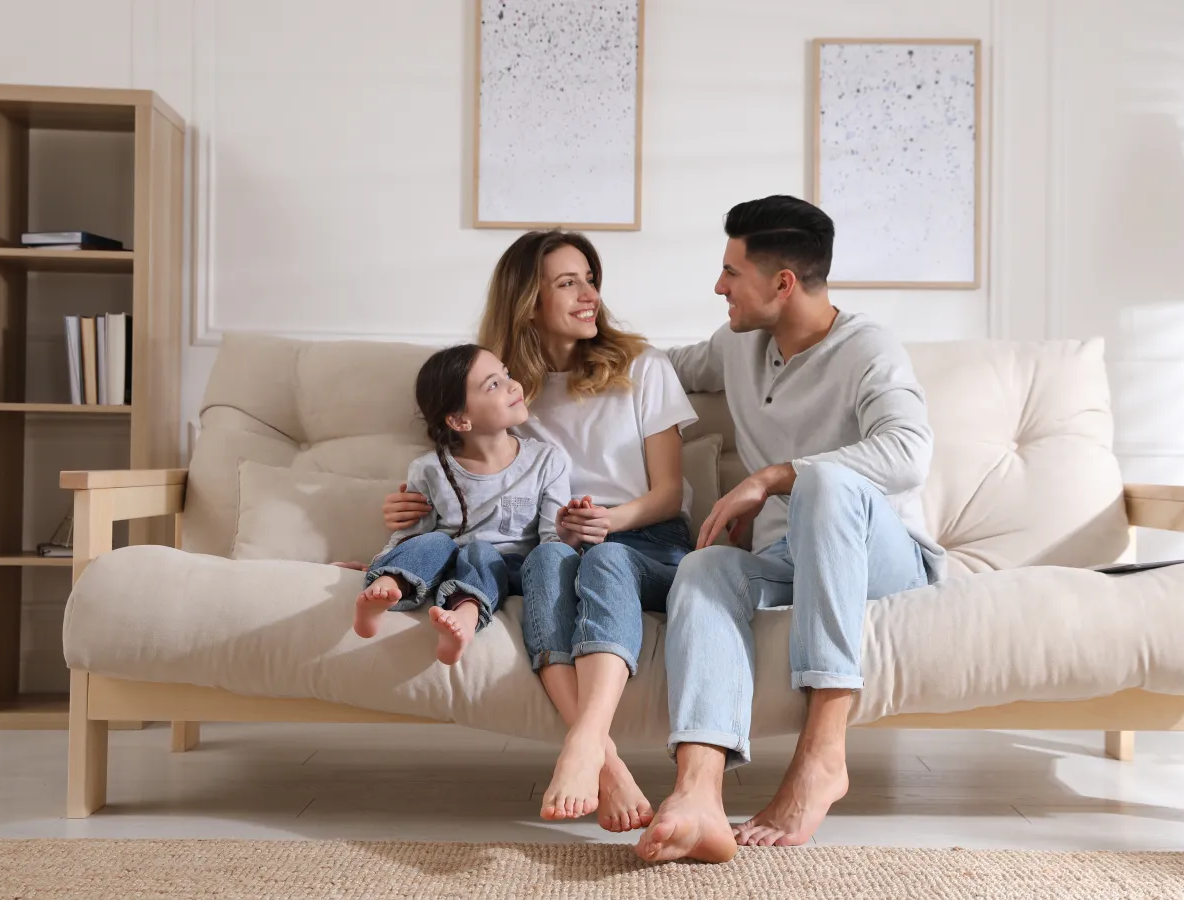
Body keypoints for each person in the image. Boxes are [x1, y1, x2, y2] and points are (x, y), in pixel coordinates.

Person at [635, 196, 949, 863]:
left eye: (731, 272)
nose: (718, 287)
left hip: (884, 561)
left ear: (782, 283)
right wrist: (555, 350)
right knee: (704, 567)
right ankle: (698, 792)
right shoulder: (736, 346)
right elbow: (654, 369)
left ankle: (822, 753)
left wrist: (777, 475)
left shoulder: (869, 349)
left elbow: (907, 451)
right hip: (788, 559)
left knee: (827, 483)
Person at [382, 230, 697, 833]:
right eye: (568, 282)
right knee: (548, 563)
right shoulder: (504, 391)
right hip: (554, 544)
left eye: (591, 279)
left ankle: (584, 746)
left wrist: (610, 521)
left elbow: (669, 493)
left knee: (601, 561)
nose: (590, 296)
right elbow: (462, 471)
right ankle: (608, 766)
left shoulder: (644, 368)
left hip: (646, 539)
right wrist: (409, 511)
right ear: (529, 300)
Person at [350, 344, 570, 668]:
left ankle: (465, 620)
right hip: (449, 563)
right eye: (493, 384)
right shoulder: (429, 470)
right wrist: (380, 562)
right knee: (436, 541)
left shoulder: (547, 461)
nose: (513, 385)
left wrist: (574, 538)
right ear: (459, 419)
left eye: (507, 375)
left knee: (480, 552)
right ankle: (384, 589)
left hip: (512, 568)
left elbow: (553, 540)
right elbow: (411, 535)